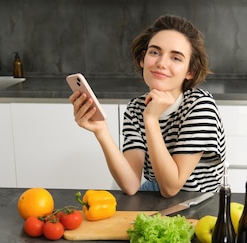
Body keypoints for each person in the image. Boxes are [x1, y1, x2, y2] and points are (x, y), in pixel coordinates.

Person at [69, 15, 226, 198]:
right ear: (143, 59)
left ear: (190, 71)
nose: (161, 63)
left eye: (176, 58)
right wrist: (101, 132)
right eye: (154, 52)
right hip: (156, 198)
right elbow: (131, 185)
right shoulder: (135, 108)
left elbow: (170, 188)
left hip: (199, 202)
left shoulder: (200, 107)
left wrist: (151, 119)